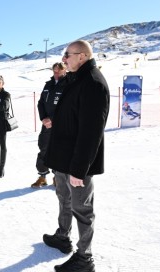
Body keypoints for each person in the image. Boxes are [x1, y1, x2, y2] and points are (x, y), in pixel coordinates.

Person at [44, 40, 110, 272]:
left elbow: (91, 132)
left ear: (81, 56)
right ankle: (63, 236)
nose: (63, 59)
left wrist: (79, 169)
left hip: (77, 162)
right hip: (63, 157)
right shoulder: (76, 78)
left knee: (82, 209)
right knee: (64, 198)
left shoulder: (93, 83)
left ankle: (84, 258)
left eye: (67, 55)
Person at [31, 62, 67, 188]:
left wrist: (52, 119)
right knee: (43, 148)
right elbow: (41, 103)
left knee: (58, 151)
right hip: (46, 124)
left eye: (59, 71)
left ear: (64, 70)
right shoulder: (48, 84)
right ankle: (42, 176)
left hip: (60, 124)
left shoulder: (68, 84)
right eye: (54, 71)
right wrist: (43, 118)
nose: (56, 73)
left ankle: (58, 177)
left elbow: (66, 106)